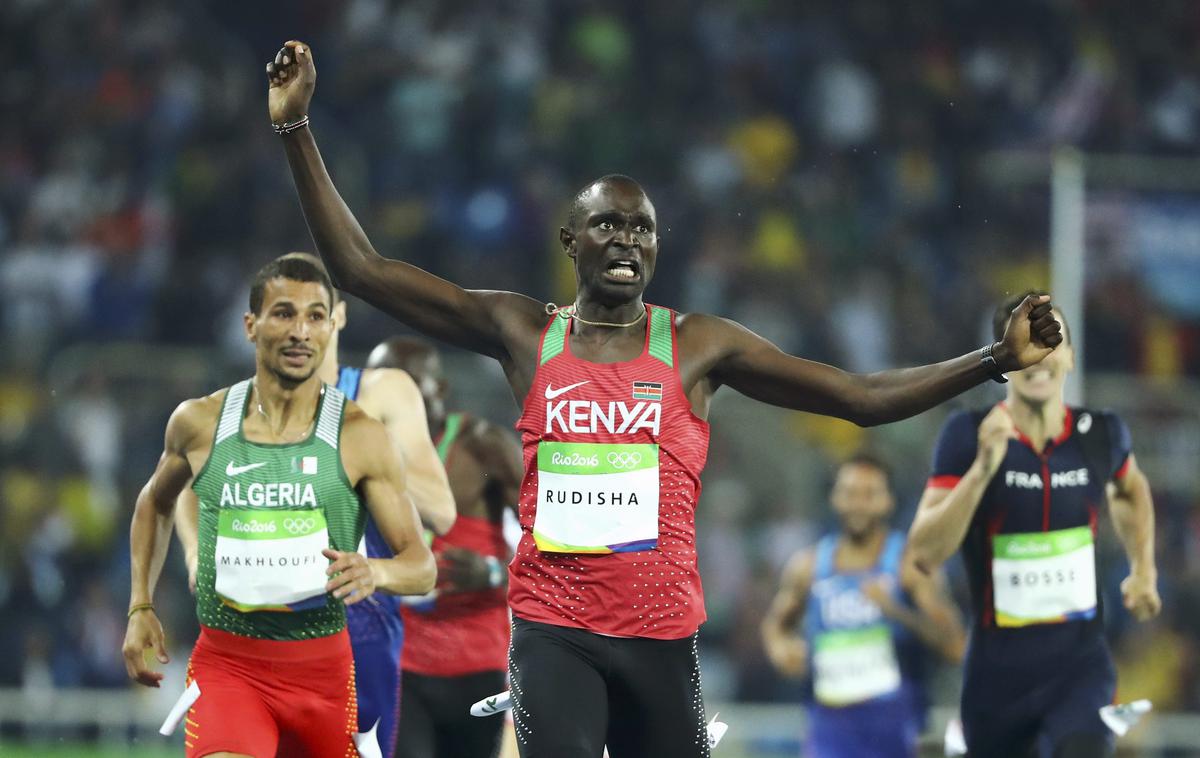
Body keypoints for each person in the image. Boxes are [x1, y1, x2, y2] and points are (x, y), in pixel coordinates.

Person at [266, 40, 1063, 757]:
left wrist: (995, 357)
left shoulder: (698, 345)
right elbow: (365, 271)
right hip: (553, 628)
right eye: (608, 226)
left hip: (661, 634)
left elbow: (857, 397)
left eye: (643, 229)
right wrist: (297, 130)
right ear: (571, 242)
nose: (629, 241)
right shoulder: (522, 331)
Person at [122, 255, 436, 758]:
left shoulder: (361, 437)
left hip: (325, 677)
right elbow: (155, 502)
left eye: (315, 316)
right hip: (230, 666)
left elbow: (421, 566)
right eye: (284, 313)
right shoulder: (199, 423)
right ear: (251, 325)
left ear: (332, 325)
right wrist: (141, 602)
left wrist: (375, 571)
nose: (300, 331)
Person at [907, 292, 1161, 758]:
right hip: (996, 678)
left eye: (1051, 339)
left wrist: (1143, 568)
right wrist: (983, 468)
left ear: (1070, 355)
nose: (1039, 355)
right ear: (1006, 359)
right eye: (1026, 342)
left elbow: (1131, 490)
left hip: (1079, 672)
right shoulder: (967, 436)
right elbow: (923, 552)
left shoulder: (1101, 433)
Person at [368, 336, 523, 758]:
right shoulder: (360, 452)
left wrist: (493, 572)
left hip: (478, 663)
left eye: (408, 386)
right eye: (382, 386)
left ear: (440, 390)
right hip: (400, 663)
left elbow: (551, 545)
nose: (392, 400)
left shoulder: (482, 446)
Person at [761, 453, 965, 758]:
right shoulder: (808, 567)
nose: (858, 504)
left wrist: (897, 612)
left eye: (869, 495)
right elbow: (775, 626)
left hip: (897, 734)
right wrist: (783, 650)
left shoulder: (910, 566)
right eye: (850, 493)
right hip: (828, 734)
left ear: (888, 501)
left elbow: (955, 646)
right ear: (834, 498)